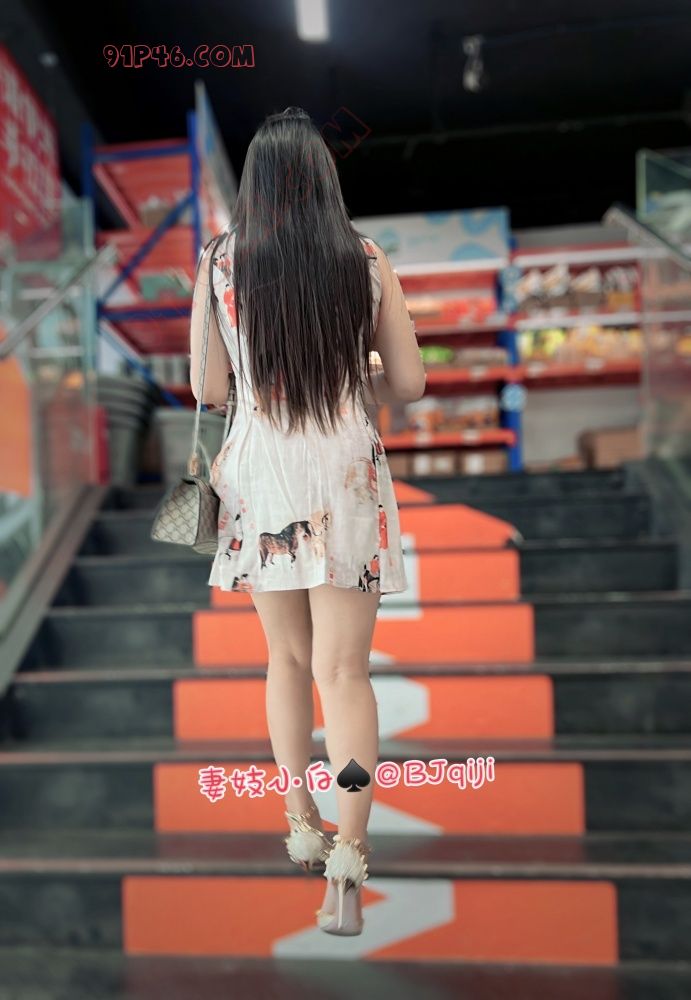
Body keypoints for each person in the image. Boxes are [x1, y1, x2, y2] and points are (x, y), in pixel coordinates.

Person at [189, 106, 426, 936]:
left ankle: (299, 822)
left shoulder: (220, 260)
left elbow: (208, 389)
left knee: (285, 661)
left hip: (262, 472)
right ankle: (349, 864)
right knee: (344, 672)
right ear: (324, 178)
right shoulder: (363, 258)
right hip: (344, 470)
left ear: (254, 183)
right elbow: (409, 383)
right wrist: (355, 372)